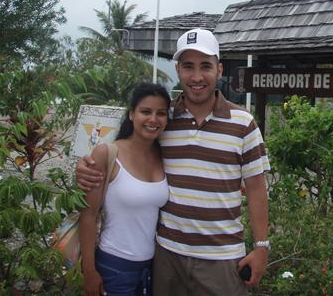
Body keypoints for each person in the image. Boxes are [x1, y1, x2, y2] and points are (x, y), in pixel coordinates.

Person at [77, 28, 271, 296]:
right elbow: (127, 152)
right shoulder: (164, 120)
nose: (197, 76)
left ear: (219, 70)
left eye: (205, 66)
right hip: (167, 257)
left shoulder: (243, 123)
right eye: (188, 66)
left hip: (221, 260)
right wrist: (85, 167)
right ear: (178, 70)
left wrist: (261, 246)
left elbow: (257, 188)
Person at [79, 82, 171, 296]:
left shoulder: (163, 155)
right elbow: (88, 215)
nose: (153, 119)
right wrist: (89, 271)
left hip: (151, 267)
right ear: (131, 114)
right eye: (145, 112)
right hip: (113, 267)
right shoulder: (107, 153)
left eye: (161, 113)